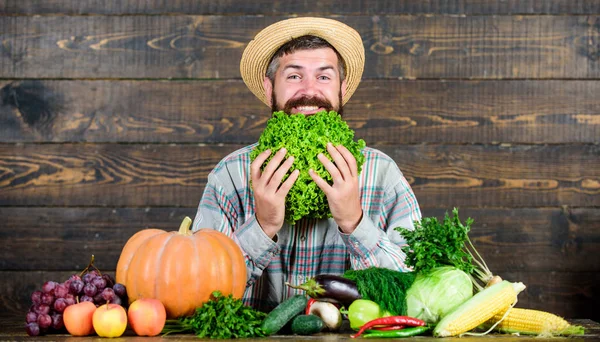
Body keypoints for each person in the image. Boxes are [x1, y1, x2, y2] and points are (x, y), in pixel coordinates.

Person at [192, 17, 421, 311]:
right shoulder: (231, 177)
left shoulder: (383, 175)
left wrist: (355, 222)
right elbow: (196, 291)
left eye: (324, 77)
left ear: (342, 88)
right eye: (293, 76)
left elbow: (417, 293)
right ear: (268, 88)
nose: (309, 91)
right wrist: (262, 227)